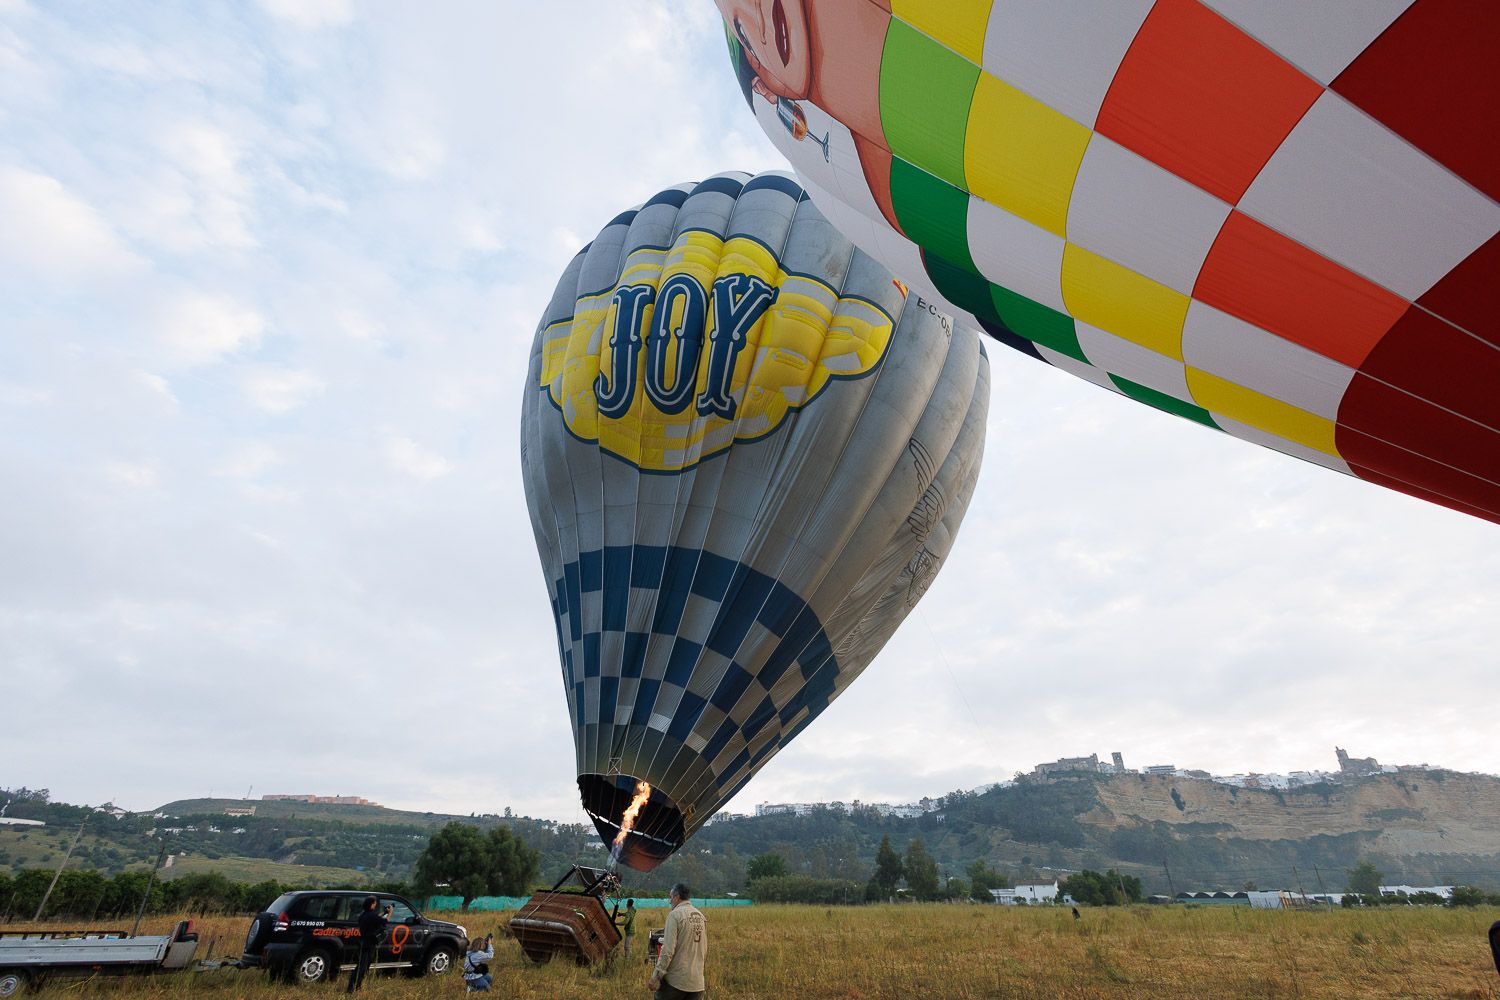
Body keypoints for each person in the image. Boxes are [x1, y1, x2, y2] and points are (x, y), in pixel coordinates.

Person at [648, 883, 707, 999]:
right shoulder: (701, 916)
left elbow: (667, 950)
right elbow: (704, 949)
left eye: (670, 897)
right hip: (697, 983)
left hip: (676, 982)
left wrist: (655, 977)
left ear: (677, 897)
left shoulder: (675, 915)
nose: (670, 901)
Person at [346, 897, 391, 993]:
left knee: (361, 966)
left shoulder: (364, 915)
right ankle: (352, 988)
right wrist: (390, 912)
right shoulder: (371, 915)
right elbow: (385, 921)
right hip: (369, 944)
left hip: (363, 943)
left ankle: (355, 986)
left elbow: (376, 918)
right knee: (363, 967)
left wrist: (384, 912)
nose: (375, 905)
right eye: (374, 903)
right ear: (371, 904)